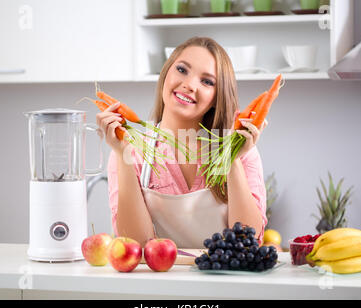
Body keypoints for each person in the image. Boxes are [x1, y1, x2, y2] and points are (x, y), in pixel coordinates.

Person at [97, 37, 268, 248]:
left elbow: (248, 241)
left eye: (207, 81)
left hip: (225, 278)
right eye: (182, 70)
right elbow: (136, 246)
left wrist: (231, 158)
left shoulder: (242, 150)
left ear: (217, 97)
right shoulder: (131, 151)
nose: (189, 85)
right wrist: (123, 156)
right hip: (161, 279)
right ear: (166, 73)